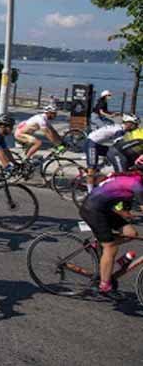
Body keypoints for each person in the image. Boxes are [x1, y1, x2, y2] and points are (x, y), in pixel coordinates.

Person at [79, 169, 142, 299]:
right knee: (111, 247)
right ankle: (104, 286)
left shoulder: (134, 179)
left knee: (131, 233)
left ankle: (97, 244)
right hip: (93, 210)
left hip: (103, 208)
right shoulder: (136, 184)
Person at [84, 114, 139, 191]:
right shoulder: (119, 131)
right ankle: (90, 192)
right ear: (129, 123)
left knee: (111, 153)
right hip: (91, 144)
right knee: (91, 170)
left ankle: (100, 168)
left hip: (96, 143)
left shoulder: (120, 127)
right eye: (135, 124)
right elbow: (119, 145)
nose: (136, 127)